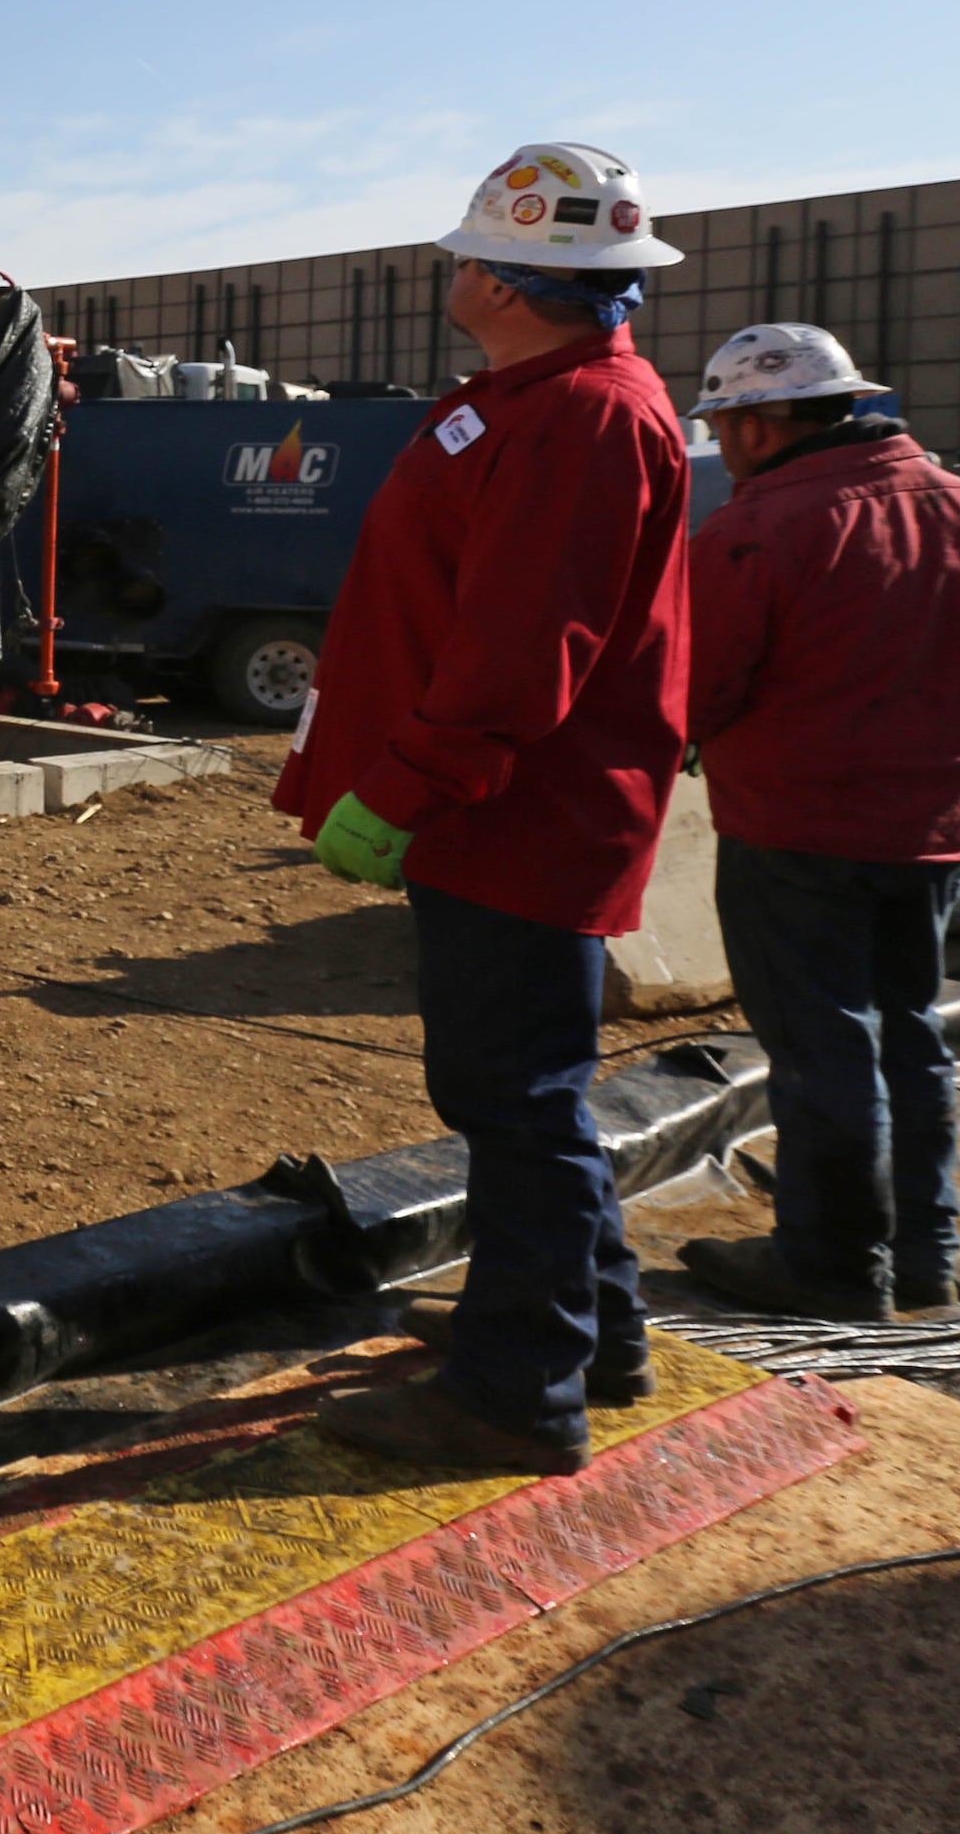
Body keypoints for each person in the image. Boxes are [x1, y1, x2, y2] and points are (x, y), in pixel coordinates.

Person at [279, 143, 692, 1476]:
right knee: (521, 1094)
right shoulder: (526, 398)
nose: (454, 267)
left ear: (514, 282)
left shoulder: (582, 418)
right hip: (494, 812)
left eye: (471, 253)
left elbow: (520, 656)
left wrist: (404, 791)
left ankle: (517, 1393)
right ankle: (591, 1332)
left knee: (516, 1100)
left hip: (518, 816)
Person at [668, 325, 960, 1319]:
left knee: (823, 1048)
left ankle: (831, 1266)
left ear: (751, 424)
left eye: (723, 426)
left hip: (799, 834)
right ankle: (922, 1250)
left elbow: (695, 694)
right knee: (908, 1031)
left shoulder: (758, 531)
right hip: (941, 828)